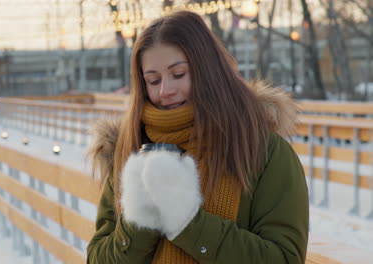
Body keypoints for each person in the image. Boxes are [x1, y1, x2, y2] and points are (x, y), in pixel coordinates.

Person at [87, 10, 309, 264]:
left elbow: (284, 258)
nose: (165, 90)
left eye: (179, 74)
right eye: (153, 80)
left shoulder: (263, 151)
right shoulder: (130, 150)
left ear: (209, 71)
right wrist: (138, 220)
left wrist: (188, 222)